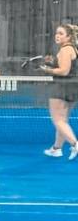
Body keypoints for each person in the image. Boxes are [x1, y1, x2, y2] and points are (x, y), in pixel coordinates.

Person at [40, 24, 78, 160]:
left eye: (61, 33)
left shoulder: (65, 49)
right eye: (57, 33)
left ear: (68, 37)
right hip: (72, 87)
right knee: (63, 120)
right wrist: (52, 62)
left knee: (58, 120)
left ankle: (75, 144)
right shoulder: (71, 49)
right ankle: (56, 148)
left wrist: (46, 69)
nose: (57, 35)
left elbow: (64, 71)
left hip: (61, 87)